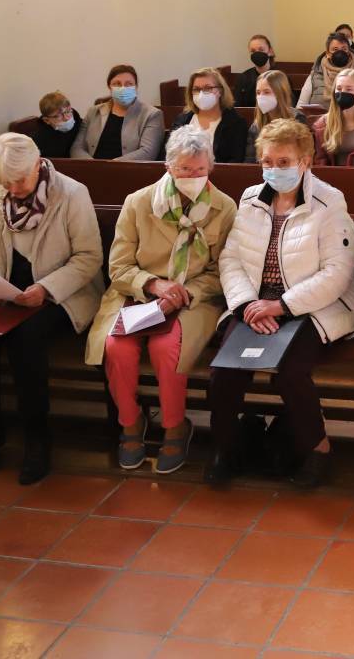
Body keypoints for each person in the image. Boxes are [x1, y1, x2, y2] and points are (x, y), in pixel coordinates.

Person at [209, 119, 354, 485]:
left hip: (312, 305)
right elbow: (231, 258)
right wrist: (247, 303)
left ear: (305, 161)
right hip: (255, 304)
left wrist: (282, 306)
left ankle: (319, 448)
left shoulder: (329, 202)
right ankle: (227, 448)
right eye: (267, 162)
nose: (274, 170)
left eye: (283, 162)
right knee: (223, 373)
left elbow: (338, 272)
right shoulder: (250, 199)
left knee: (291, 372)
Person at [87, 126, 235, 474]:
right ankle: (130, 423)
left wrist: (183, 292)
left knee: (166, 347)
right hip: (138, 294)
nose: (192, 177)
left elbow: (222, 270)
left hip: (195, 298)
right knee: (117, 347)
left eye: (200, 170)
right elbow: (119, 266)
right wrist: (153, 285)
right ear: (168, 166)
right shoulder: (138, 202)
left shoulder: (224, 207)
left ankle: (174, 426)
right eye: (184, 170)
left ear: (210, 168)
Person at [0, 134, 102, 485]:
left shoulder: (71, 193)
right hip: (6, 293)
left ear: (38, 163)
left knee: (27, 340)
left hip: (60, 294)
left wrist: (45, 288)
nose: (14, 188)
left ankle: (37, 441)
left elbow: (89, 259)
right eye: (5, 182)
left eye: (19, 180)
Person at [73, 64, 166, 161]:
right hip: (91, 169)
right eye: (117, 84)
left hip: (129, 171)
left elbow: (148, 152)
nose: (123, 88)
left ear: (136, 87)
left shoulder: (152, 115)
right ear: (109, 87)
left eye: (128, 84)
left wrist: (112, 166)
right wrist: (93, 166)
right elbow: (77, 147)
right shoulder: (93, 112)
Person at [169, 66, 249, 164]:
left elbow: (235, 161)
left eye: (208, 88)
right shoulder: (181, 120)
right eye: (196, 89)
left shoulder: (236, 123)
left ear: (220, 91)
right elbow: (170, 155)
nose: (201, 94)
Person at [298, 32, 354, 109]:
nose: (340, 52)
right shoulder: (316, 75)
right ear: (328, 54)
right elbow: (301, 105)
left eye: (344, 49)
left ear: (349, 52)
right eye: (335, 49)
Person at [244, 69, 297, 161]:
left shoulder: (296, 119)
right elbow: (250, 160)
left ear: (280, 93)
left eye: (266, 92)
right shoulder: (256, 126)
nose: (261, 97)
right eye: (258, 93)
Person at [29, 91, 83, 158]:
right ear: (46, 120)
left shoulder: (82, 125)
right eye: (57, 116)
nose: (66, 118)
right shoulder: (38, 139)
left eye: (68, 111)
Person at [234, 34, 276, 108]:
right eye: (253, 51)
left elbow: (289, 105)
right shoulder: (243, 78)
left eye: (261, 50)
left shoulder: (280, 77)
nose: (257, 53)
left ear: (270, 51)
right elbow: (237, 106)